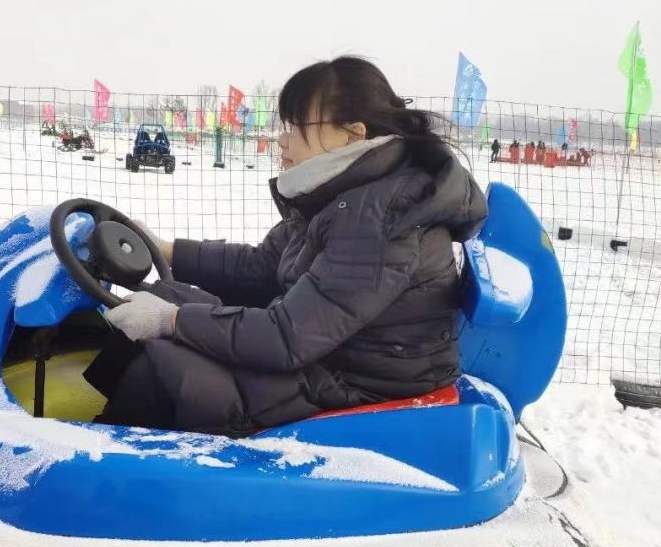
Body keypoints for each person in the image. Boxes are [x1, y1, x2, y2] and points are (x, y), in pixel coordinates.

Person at [86, 56, 487, 436]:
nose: (282, 140)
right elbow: (262, 266)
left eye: (296, 127)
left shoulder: (379, 217)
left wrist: (171, 321)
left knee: (165, 370)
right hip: (331, 354)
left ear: (352, 134)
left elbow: (287, 338)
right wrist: (166, 249)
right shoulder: (345, 194)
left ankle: (103, 462)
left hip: (358, 383)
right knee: (168, 296)